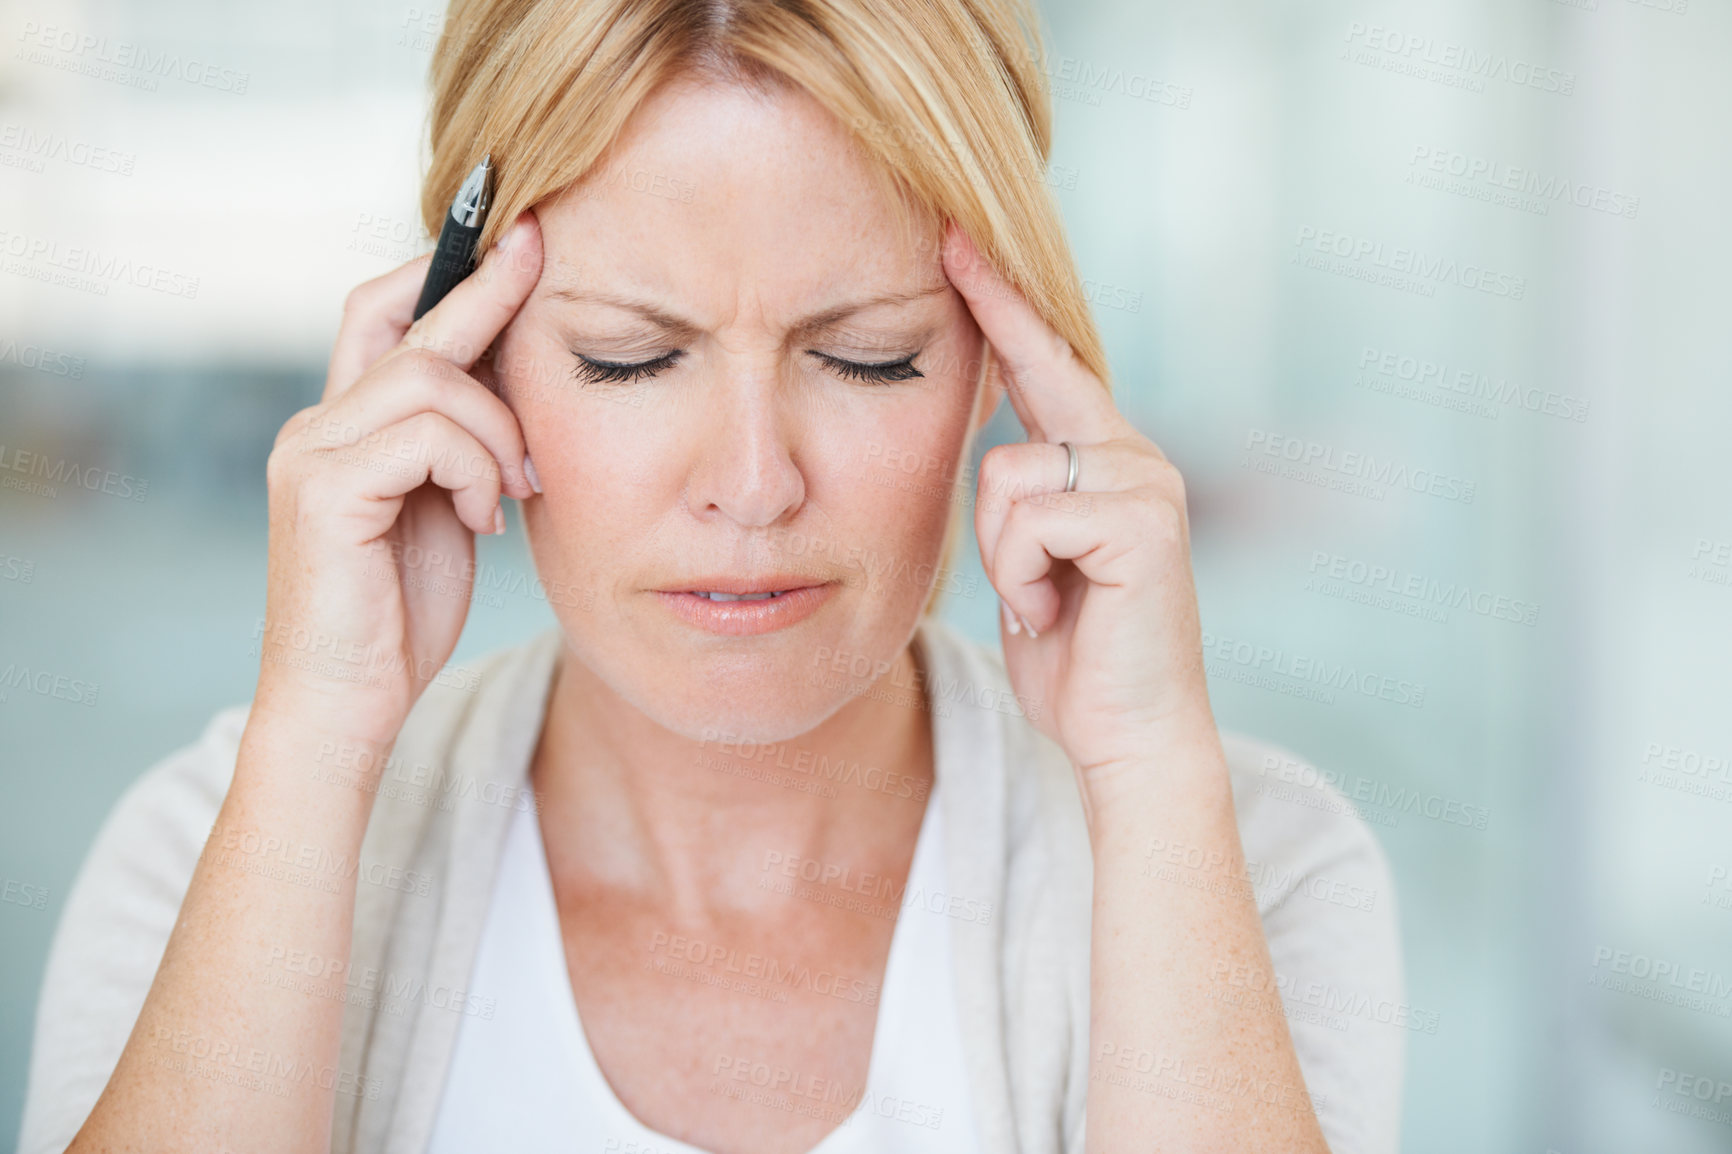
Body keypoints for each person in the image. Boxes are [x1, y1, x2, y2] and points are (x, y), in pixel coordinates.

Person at [17, 0, 1404, 1151]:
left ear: (996, 360)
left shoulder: (1253, 873)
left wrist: (1153, 776)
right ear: (465, 358)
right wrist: (315, 739)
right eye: (630, 355)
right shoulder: (211, 846)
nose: (752, 480)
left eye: (867, 356)